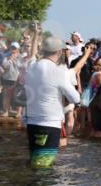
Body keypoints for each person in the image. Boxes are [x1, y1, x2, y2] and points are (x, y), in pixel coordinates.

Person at [23, 37, 81, 167]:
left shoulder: (31, 67)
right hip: (49, 124)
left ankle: (31, 185)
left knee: (34, 159)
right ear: (59, 52)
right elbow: (75, 97)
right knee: (44, 164)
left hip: (31, 122)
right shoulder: (57, 71)